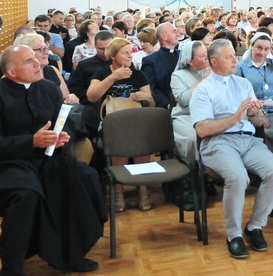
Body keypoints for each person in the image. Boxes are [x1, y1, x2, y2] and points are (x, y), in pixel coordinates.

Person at [0, 46, 106, 274]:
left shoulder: (49, 89)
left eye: (36, 59)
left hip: (45, 158)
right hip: (2, 164)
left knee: (86, 177)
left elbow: (60, 124)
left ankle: (69, 253)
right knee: (28, 194)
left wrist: (61, 136)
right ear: (12, 72)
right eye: (29, 61)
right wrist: (31, 141)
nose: (38, 63)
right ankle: (11, 266)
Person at [190, 39, 273, 259]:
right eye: (229, 56)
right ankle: (233, 235)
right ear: (214, 62)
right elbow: (203, 129)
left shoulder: (242, 84)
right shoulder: (204, 90)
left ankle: (254, 226)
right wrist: (235, 118)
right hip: (217, 141)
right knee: (238, 177)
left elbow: (257, 121)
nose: (236, 59)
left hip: (247, 140)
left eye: (235, 54)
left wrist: (255, 113)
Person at [87, 38, 156, 212]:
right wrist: (112, 78)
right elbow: (92, 96)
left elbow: (152, 103)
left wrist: (145, 98)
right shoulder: (102, 73)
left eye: (131, 51)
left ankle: (142, 187)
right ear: (113, 55)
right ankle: (117, 189)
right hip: (112, 122)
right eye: (125, 52)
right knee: (121, 136)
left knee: (143, 136)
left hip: (136, 121)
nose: (129, 55)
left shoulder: (138, 74)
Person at [170, 40, 210, 165]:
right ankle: (194, 170)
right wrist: (204, 81)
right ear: (190, 61)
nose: (206, 58)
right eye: (202, 56)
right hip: (186, 115)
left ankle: (213, 171)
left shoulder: (213, 71)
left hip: (209, 114)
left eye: (206, 53)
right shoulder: (178, 75)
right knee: (192, 138)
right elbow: (183, 100)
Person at [141, 22, 181, 108]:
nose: (178, 34)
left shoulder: (182, 55)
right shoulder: (150, 61)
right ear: (164, 36)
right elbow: (151, 88)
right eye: (174, 31)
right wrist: (167, 104)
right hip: (165, 107)